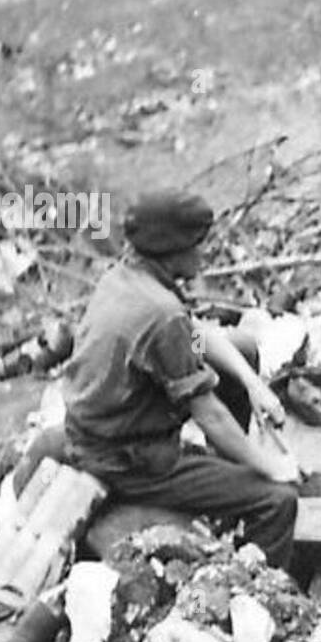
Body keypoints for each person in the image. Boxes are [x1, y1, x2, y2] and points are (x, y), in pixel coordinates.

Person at [61, 189, 302, 570]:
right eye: (196, 245)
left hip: (103, 431)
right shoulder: (161, 313)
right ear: (173, 250)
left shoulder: (127, 278)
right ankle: (260, 590)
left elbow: (195, 332)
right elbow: (210, 415)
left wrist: (253, 384)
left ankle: (226, 482)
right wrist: (272, 468)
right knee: (277, 500)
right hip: (130, 460)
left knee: (241, 348)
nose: (203, 255)